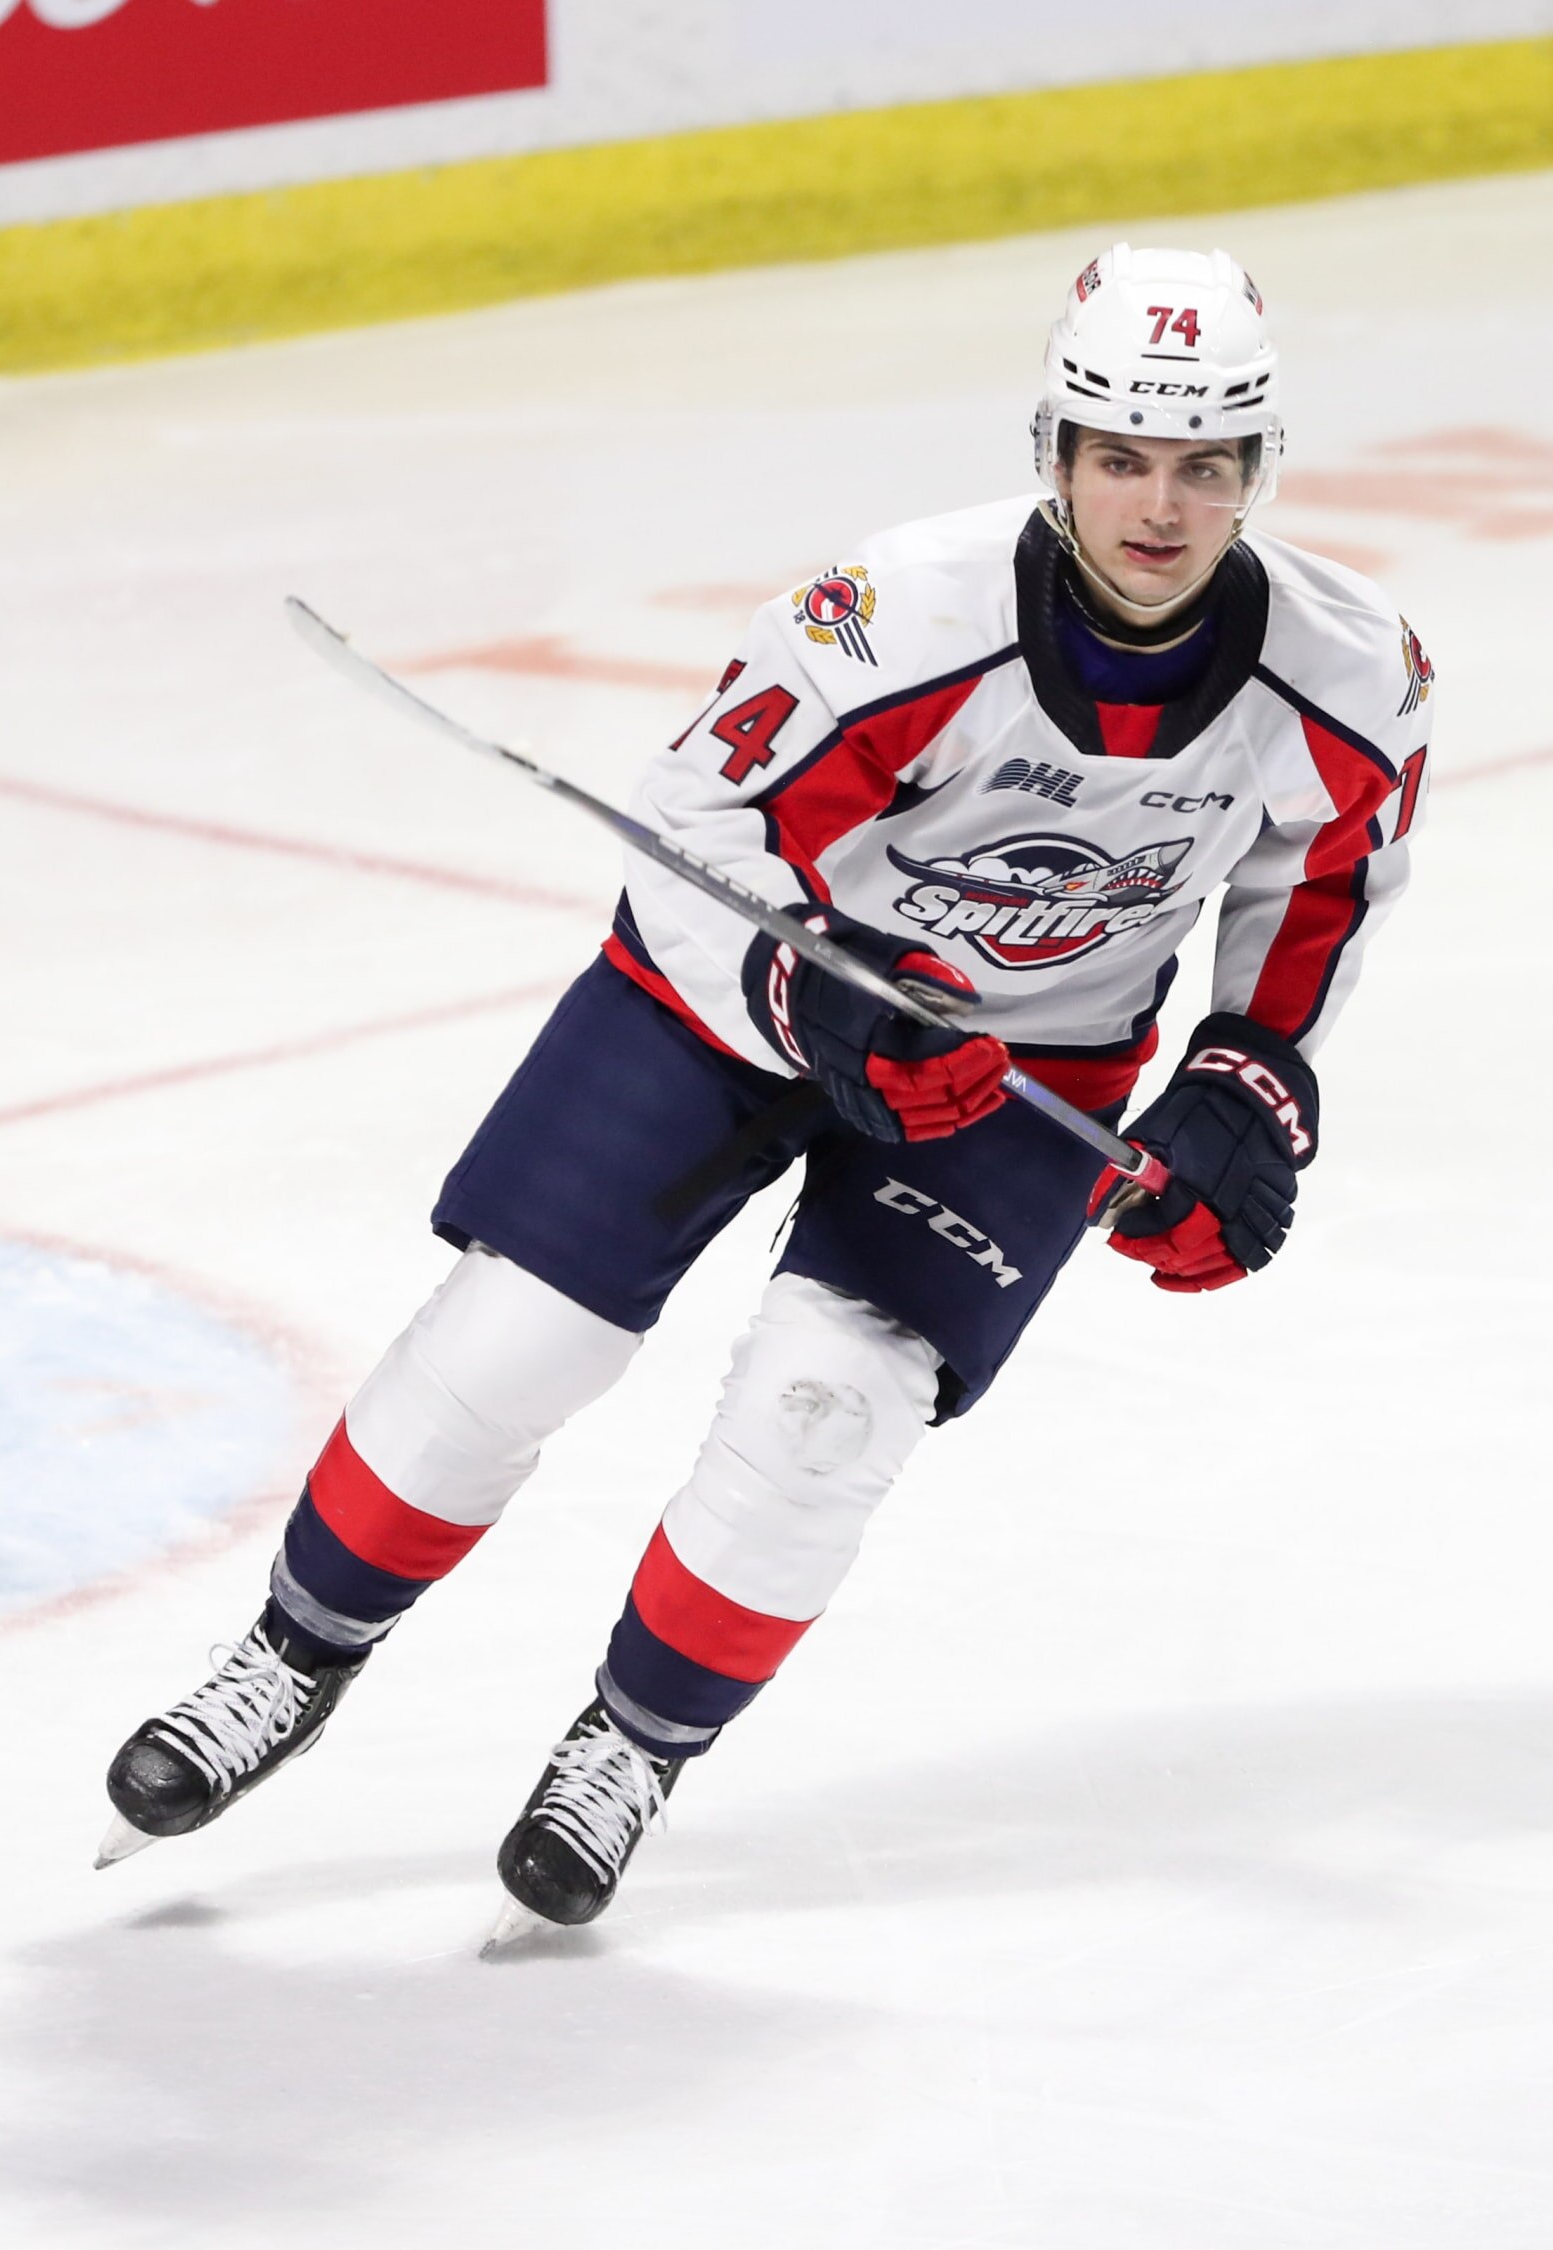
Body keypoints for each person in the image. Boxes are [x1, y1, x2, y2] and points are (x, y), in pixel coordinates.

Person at [98, 244, 1431, 1938]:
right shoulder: (892, 616)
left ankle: (633, 1745)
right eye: (1119, 457)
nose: (1157, 506)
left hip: (1027, 1068)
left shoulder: (1352, 674)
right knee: (525, 1332)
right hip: (739, 1005)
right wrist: (809, 985)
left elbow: (1314, 895)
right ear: (1054, 452)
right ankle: (286, 1657)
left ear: (1258, 470)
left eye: (1201, 466)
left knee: (828, 1409)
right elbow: (694, 841)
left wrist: (1243, 1078)